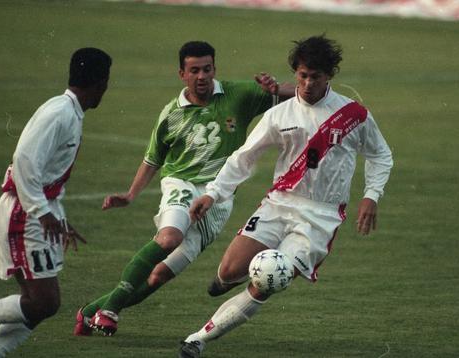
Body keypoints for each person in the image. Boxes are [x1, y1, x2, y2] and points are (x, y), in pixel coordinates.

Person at [178, 35, 393, 358]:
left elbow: (381, 155)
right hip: (279, 204)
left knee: (266, 281)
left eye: (315, 77)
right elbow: (243, 157)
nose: (307, 84)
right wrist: (213, 195)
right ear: (296, 74)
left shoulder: (353, 115)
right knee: (229, 270)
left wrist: (371, 195)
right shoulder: (279, 115)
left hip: (319, 219)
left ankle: (197, 339)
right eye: (302, 75)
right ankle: (226, 281)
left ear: (329, 76)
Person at [75, 41, 294, 337]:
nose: (201, 76)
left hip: (218, 200)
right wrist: (131, 194)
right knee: (168, 238)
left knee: (158, 276)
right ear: (182, 74)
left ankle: (88, 312)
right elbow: (152, 159)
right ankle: (110, 311)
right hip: (182, 184)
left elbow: (301, 94)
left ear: (214, 69)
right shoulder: (171, 115)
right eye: (194, 70)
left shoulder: (239, 94)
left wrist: (275, 88)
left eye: (207, 69)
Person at [0, 48, 111, 358]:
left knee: (39, 305)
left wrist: (56, 215)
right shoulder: (60, 113)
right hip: (24, 212)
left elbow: (47, 173)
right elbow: (24, 160)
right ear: (102, 83)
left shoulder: (68, 110)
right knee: (43, 302)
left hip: (35, 210)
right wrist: (41, 211)